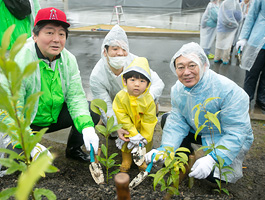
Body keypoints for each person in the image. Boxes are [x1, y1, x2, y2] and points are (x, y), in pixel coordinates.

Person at [145, 42, 253, 183]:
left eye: (192, 65)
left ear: (204, 65)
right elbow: (177, 122)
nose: (186, 72)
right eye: (180, 67)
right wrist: (165, 148)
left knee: (214, 178)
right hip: (200, 130)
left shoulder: (229, 91)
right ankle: (183, 159)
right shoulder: (178, 89)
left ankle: (209, 159)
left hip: (222, 135)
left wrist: (212, 159)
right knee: (168, 118)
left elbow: (236, 132)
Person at [3, 7, 99, 163]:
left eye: (61, 34)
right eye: (49, 32)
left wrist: (87, 127)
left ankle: (74, 150)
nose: (56, 39)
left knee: (91, 110)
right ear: (34, 35)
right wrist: (30, 142)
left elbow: (75, 97)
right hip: (27, 121)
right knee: (20, 163)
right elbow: (11, 110)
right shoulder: (20, 60)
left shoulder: (68, 60)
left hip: (53, 117)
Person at [89, 25, 164, 140]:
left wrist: (146, 98)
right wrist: (116, 126)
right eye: (115, 49)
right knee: (116, 135)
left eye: (124, 49)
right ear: (105, 52)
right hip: (118, 108)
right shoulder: (97, 75)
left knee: (146, 131)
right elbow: (105, 105)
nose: (120, 53)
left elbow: (158, 83)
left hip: (139, 104)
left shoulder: (135, 61)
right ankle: (108, 123)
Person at [113, 57, 158, 172]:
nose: (137, 84)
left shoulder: (148, 100)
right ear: (125, 81)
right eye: (132, 80)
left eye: (142, 81)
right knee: (126, 143)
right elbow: (121, 114)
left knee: (142, 147)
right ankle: (126, 160)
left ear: (148, 84)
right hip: (127, 128)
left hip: (142, 131)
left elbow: (149, 121)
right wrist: (133, 133)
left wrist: (143, 138)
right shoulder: (121, 97)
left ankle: (141, 160)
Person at [236, 0, 265, 111]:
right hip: (258, 41)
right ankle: (247, 97)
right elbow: (251, 15)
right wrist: (244, 37)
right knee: (252, 72)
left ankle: (261, 99)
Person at [214, 0, 242, 64]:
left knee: (219, 43)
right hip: (231, 28)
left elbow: (221, 16)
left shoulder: (224, 3)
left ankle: (217, 57)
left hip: (221, 27)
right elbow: (239, 15)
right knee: (228, 44)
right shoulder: (235, 2)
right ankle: (225, 59)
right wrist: (235, 23)